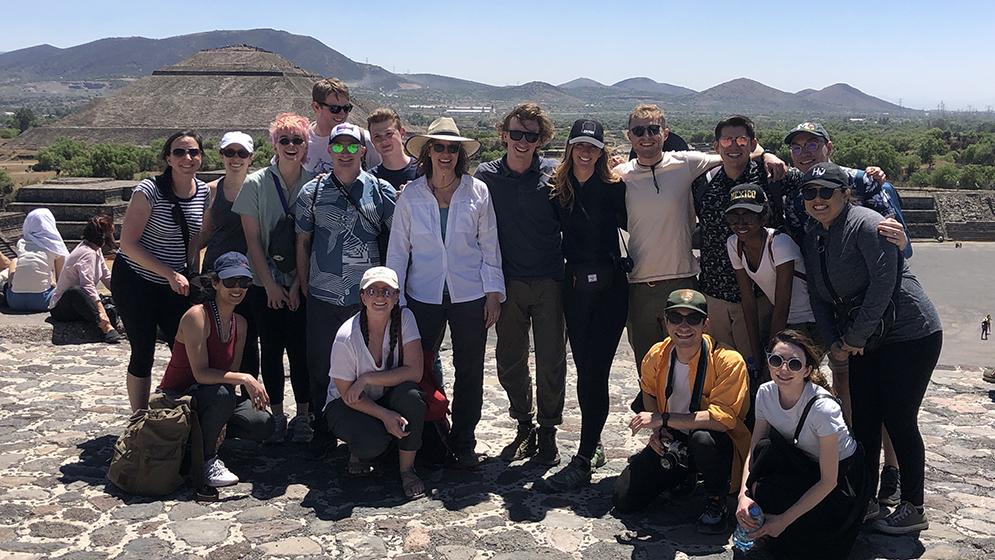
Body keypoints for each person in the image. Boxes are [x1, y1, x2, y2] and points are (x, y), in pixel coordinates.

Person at [801, 162, 943, 534]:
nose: (818, 200)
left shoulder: (867, 224)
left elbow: (885, 283)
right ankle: (864, 498)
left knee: (898, 419)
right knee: (863, 420)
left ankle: (913, 505)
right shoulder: (814, 234)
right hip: (865, 339)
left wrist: (854, 339)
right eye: (810, 193)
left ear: (845, 194)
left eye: (826, 192)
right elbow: (818, 294)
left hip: (909, 334)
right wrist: (834, 340)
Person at [612, 105, 785, 409]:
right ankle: (659, 432)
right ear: (630, 136)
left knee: (691, 362)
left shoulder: (686, 163)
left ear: (665, 133)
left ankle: (693, 428)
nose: (647, 136)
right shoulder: (620, 175)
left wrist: (767, 154)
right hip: (638, 284)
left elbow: (736, 152)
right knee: (648, 366)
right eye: (639, 131)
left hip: (682, 279)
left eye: (653, 129)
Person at [783, 122, 911, 507]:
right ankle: (851, 463)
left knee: (881, 398)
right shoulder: (793, 188)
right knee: (847, 393)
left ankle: (892, 470)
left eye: (813, 144)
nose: (805, 152)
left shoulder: (865, 183)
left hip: (875, 312)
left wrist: (902, 241)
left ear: (829, 146)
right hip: (830, 303)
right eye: (797, 146)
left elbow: (898, 246)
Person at [386, 116, 504, 469]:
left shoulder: (477, 191)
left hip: (469, 295)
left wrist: (494, 293)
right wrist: (396, 299)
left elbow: (490, 245)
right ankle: (428, 437)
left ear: (460, 155)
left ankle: (464, 441)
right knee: (418, 368)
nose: (446, 154)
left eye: (453, 148)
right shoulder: (412, 195)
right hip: (422, 294)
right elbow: (397, 249)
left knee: (469, 371)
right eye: (439, 147)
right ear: (427, 151)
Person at [615, 289, 751, 534]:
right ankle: (684, 476)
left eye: (693, 319)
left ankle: (717, 500)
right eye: (676, 318)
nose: (684, 326)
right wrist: (658, 432)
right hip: (673, 437)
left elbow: (722, 421)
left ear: (706, 324)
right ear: (666, 322)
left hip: (715, 440)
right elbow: (648, 391)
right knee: (625, 499)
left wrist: (661, 418)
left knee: (703, 439)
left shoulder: (729, 360)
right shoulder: (657, 353)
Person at [474, 103, 566, 466]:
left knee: (551, 360)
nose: (522, 142)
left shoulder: (554, 176)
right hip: (507, 281)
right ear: (504, 134)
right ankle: (523, 422)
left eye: (531, 136)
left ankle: (548, 430)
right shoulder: (486, 176)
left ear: (541, 139)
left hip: (548, 280)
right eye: (516, 134)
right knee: (510, 358)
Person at [296, 122, 396, 443]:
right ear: (329, 150)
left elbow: (399, 239)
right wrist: (303, 283)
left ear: (362, 151)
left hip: (366, 298)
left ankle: (363, 431)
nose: (344, 152)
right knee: (320, 363)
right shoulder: (311, 192)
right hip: (323, 294)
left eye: (352, 146)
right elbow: (302, 241)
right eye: (338, 146)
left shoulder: (380, 192)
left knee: (366, 367)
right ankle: (323, 431)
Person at [542, 119, 626, 491]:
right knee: (585, 370)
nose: (586, 153)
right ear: (570, 148)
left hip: (611, 289)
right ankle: (592, 446)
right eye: (580, 145)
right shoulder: (557, 189)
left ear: (602, 151)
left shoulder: (616, 188)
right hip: (575, 290)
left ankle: (584, 455)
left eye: (593, 147)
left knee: (596, 371)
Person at [736, 330, 864, 560]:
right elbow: (754, 451)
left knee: (807, 548)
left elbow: (828, 481)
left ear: (807, 370)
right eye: (776, 361)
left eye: (794, 364)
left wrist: (783, 521)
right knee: (764, 463)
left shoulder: (823, 410)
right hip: (803, 462)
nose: (783, 369)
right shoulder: (765, 393)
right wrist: (743, 495)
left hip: (840, 479)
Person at [158, 252, 274, 488]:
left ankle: (204, 442)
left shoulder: (239, 324)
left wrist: (238, 385)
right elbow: (201, 373)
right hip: (179, 396)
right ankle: (204, 459)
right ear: (215, 283)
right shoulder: (197, 316)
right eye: (230, 282)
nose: (237, 288)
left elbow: (229, 375)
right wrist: (247, 379)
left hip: (211, 395)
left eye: (244, 283)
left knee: (262, 421)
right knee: (220, 395)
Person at [233, 113, 315, 443]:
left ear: (306, 144)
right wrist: (268, 284)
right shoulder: (255, 184)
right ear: (274, 144)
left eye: (298, 140)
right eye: (285, 140)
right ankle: (278, 413)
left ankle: (305, 414)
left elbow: (313, 241)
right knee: (271, 349)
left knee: (300, 351)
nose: (292, 146)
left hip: (299, 282)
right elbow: (252, 240)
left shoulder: (314, 183)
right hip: (262, 283)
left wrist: (297, 285)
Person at [115, 130, 210, 412]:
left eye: (193, 152)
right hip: (136, 280)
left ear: (201, 158)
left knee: (183, 349)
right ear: (168, 158)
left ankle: (181, 412)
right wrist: (169, 272)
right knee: (142, 351)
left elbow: (193, 241)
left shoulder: (202, 192)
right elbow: (128, 244)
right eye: (179, 152)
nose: (187, 158)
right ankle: (139, 417)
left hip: (175, 285)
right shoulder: (149, 190)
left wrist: (191, 275)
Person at [695, 116, 791, 364]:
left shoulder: (771, 177)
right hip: (715, 294)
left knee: (757, 366)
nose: (734, 146)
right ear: (716, 146)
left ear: (752, 144)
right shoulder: (703, 183)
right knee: (721, 371)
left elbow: (817, 178)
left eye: (741, 139)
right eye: (727, 140)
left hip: (760, 297)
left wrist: (870, 177)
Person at [324, 266, 427, 499]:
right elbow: (347, 393)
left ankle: (407, 470)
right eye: (372, 291)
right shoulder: (346, 336)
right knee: (371, 443)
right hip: (348, 404)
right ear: (362, 297)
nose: (380, 296)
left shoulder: (405, 319)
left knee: (412, 396)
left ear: (397, 296)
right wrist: (385, 415)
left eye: (387, 291)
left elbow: (415, 371)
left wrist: (368, 377)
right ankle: (358, 450)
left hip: (385, 393)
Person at [724, 183, 815, 367]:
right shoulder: (734, 244)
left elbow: (782, 306)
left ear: (763, 217)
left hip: (808, 322)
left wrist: (769, 360)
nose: (740, 223)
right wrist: (757, 355)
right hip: (784, 322)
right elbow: (748, 302)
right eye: (734, 216)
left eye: (748, 215)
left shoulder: (779, 244)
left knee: (793, 378)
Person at [194, 131, 258, 376]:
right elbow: (205, 232)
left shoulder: (259, 188)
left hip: (249, 275)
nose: (236, 158)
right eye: (229, 152)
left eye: (242, 153)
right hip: (216, 274)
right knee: (212, 335)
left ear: (250, 157)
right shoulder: (211, 190)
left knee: (248, 338)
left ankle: (249, 402)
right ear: (221, 156)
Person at [48, 214, 122, 343]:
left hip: (82, 304)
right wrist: (101, 312)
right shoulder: (87, 253)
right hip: (62, 308)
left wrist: (122, 294)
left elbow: (105, 275)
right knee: (75, 291)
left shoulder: (95, 249)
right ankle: (105, 327)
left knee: (112, 301)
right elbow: (87, 286)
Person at [303, 77, 381, 175]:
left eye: (346, 108)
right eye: (335, 108)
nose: (342, 113)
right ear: (316, 107)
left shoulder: (363, 139)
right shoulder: (300, 141)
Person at [4, 208, 68, 312]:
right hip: (43, 301)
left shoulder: (22, 243)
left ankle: (12, 285)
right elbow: (60, 282)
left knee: (15, 260)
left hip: (15, 302)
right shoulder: (54, 246)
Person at [367, 108, 418, 191]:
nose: (383, 140)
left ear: (402, 133)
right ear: (372, 140)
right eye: (377, 136)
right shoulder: (370, 180)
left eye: (388, 134)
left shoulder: (424, 172)